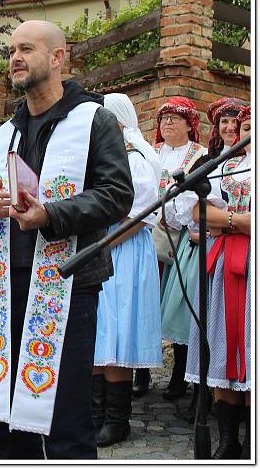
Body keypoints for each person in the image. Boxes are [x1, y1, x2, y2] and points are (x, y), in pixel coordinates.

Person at [0, 20, 133, 459]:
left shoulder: (93, 120)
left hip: (68, 281)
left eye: (26, 49)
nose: (14, 58)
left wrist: (51, 214)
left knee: (66, 414)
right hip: (5, 286)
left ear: (58, 57)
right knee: (7, 416)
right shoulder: (6, 131)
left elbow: (118, 195)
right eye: (10, 51)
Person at [91, 93, 163, 446]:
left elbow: (142, 215)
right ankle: (94, 413)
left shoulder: (135, 161)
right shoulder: (100, 160)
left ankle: (117, 420)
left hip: (124, 249)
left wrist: (105, 242)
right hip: (97, 248)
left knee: (116, 330)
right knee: (97, 328)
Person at [183, 106, 251, 459]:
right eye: (244, 128)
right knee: (222, 345)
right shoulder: (224, 167)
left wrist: (227, 220)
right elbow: (198, 211)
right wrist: (241, 221)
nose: (245, 133)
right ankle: (228, 442)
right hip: (224, 261)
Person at [147, 96, 207, 401]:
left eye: (175, 117)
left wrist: (168, 215)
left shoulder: (199, 155)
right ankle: (141, 373)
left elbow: (193, 200)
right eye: (164, 118)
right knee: (145, 304)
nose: (168, 122)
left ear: (189, 124)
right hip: (147, 236)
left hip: (181, 238)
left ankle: (179, 374)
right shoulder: (150, 153)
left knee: (180, 306)